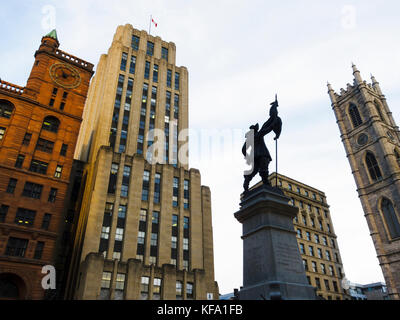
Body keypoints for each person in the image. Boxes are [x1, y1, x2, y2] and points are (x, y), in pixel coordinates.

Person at [242, 97, 282, 192]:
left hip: (255, 157)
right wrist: (274, 123)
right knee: (263, 170)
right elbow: (267, 128)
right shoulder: (258, 134)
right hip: (262, 155)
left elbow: (243, 149)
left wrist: (248, 156)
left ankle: (246, 186)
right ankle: (265, 184)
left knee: (253, 171)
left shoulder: (249, 138)